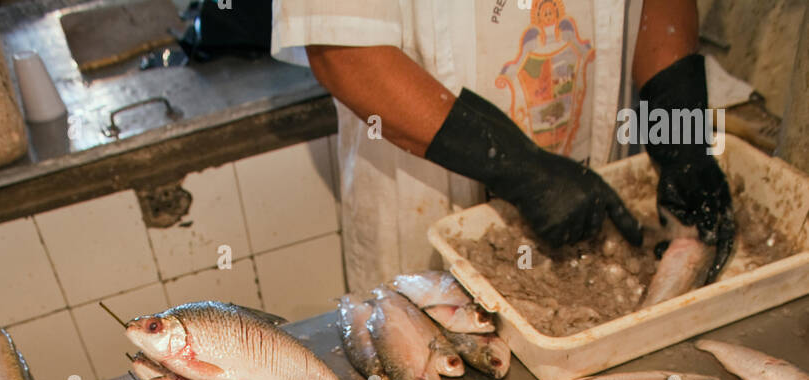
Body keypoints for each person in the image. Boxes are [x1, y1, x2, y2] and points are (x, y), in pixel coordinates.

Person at [272, 0, 743, 291]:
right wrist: (522, 170)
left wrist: (680, 134)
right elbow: (345, 53)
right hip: (430, 200)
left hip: (597, 190)